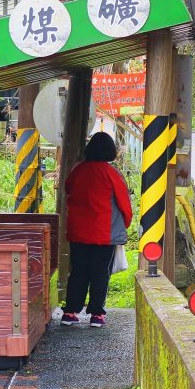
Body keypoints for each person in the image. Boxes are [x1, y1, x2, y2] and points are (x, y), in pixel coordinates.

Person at [61, 131, 133, 328]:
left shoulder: (77, 170)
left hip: (78, 232)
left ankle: (70, 312)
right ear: (111, 151)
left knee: (78, 272)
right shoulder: (112, 174)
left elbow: (68, 189)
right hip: (104, 233)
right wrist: (124, 224)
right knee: (100, 273)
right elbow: (125, 205)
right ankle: (96, 315)